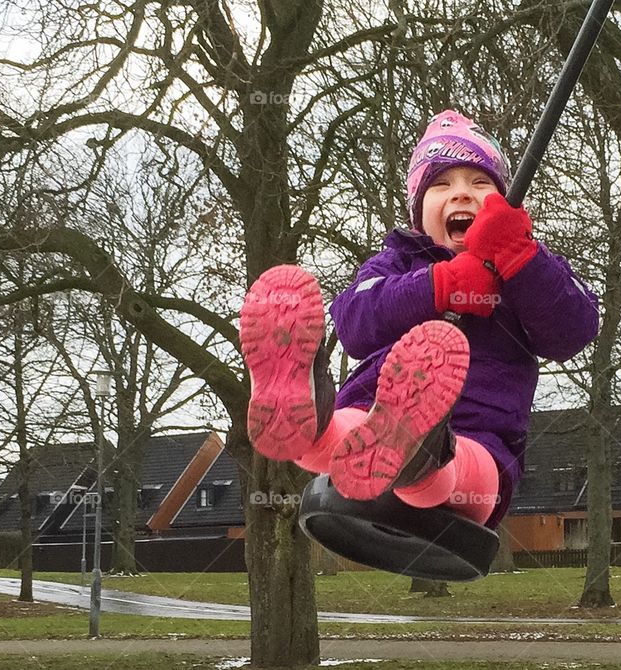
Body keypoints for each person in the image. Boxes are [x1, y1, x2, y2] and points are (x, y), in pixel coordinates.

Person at [240, 109, 599, 528]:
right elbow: (354, 321)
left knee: (464, 469)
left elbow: (574, 328)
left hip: (482, 435)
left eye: (481, 183)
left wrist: (518, 255)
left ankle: (413, 451)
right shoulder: (398, 262)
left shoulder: (527, 268)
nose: (462, 194)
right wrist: (440, 284)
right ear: (418, 210)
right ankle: (301, 413)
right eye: (441, 184)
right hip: (376, 408)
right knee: (351, 431)